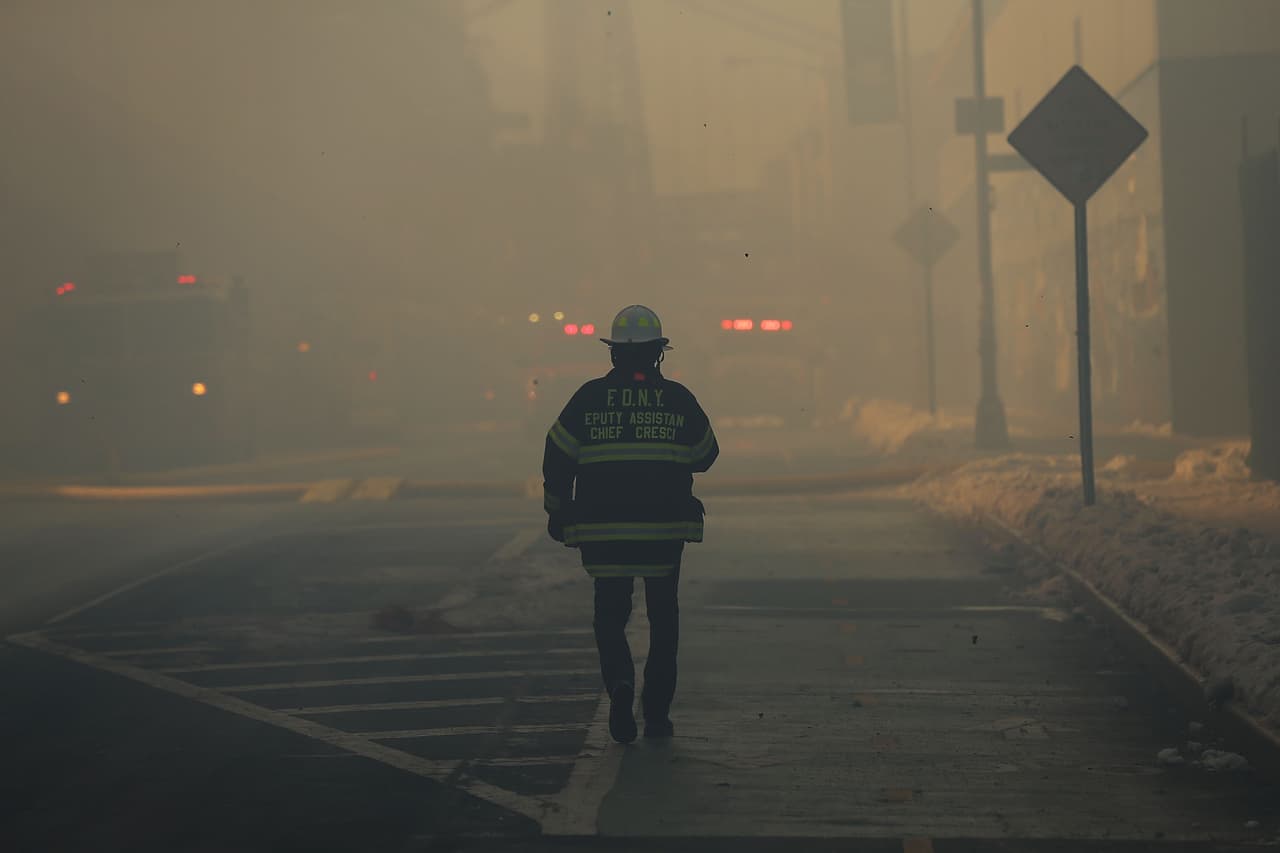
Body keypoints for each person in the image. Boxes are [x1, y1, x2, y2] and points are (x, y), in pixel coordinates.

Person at [542, 305, 719, 744]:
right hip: (663, 532)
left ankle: (620, 681)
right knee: (663, 619)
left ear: (614, 353)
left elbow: (557, 456)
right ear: (658, 353)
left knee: (610, 616)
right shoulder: (677, 399)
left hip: (603, 532)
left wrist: (557, 511)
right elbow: (706, 454)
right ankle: (656, 714)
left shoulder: (587, 399)